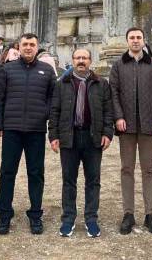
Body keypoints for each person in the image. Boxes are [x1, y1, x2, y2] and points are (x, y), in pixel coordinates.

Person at [0, 33, 56, 235]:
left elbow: (53, 100)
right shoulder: (7, 69)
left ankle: (35, 215)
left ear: (37, 48)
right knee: (7, 172)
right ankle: (4, 215)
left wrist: (44, 115)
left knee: (36, 174)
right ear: (18, 47)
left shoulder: (47, 70)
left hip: (36, 130)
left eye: (32, 44)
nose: (28, 48)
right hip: (12, 129)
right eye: (25, 44)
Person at [49, 48, 114, 238]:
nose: (81, 61)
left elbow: (108, 111)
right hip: (69, 137)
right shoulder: (62, 84)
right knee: (69, 181)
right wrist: (53, 136)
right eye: (78, 58)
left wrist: (108, 133)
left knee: (93, 181)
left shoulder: (101, 83)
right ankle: (68, 219)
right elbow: (54, 111)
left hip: (93, 137)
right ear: (72, 60)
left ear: (90, 61)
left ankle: (91, 219)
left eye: (84, 58)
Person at [110, 27, 152, 235]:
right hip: (126, 126)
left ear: (144, 41)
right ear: (127, 41)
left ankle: (150, 214)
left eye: (138, 38)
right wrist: (118, 116)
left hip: (147, 124)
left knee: (148, 169)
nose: (135, 41)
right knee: (127, 169)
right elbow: (113, 93)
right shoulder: (118, 66)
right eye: (132, 38)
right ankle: (128, 213)